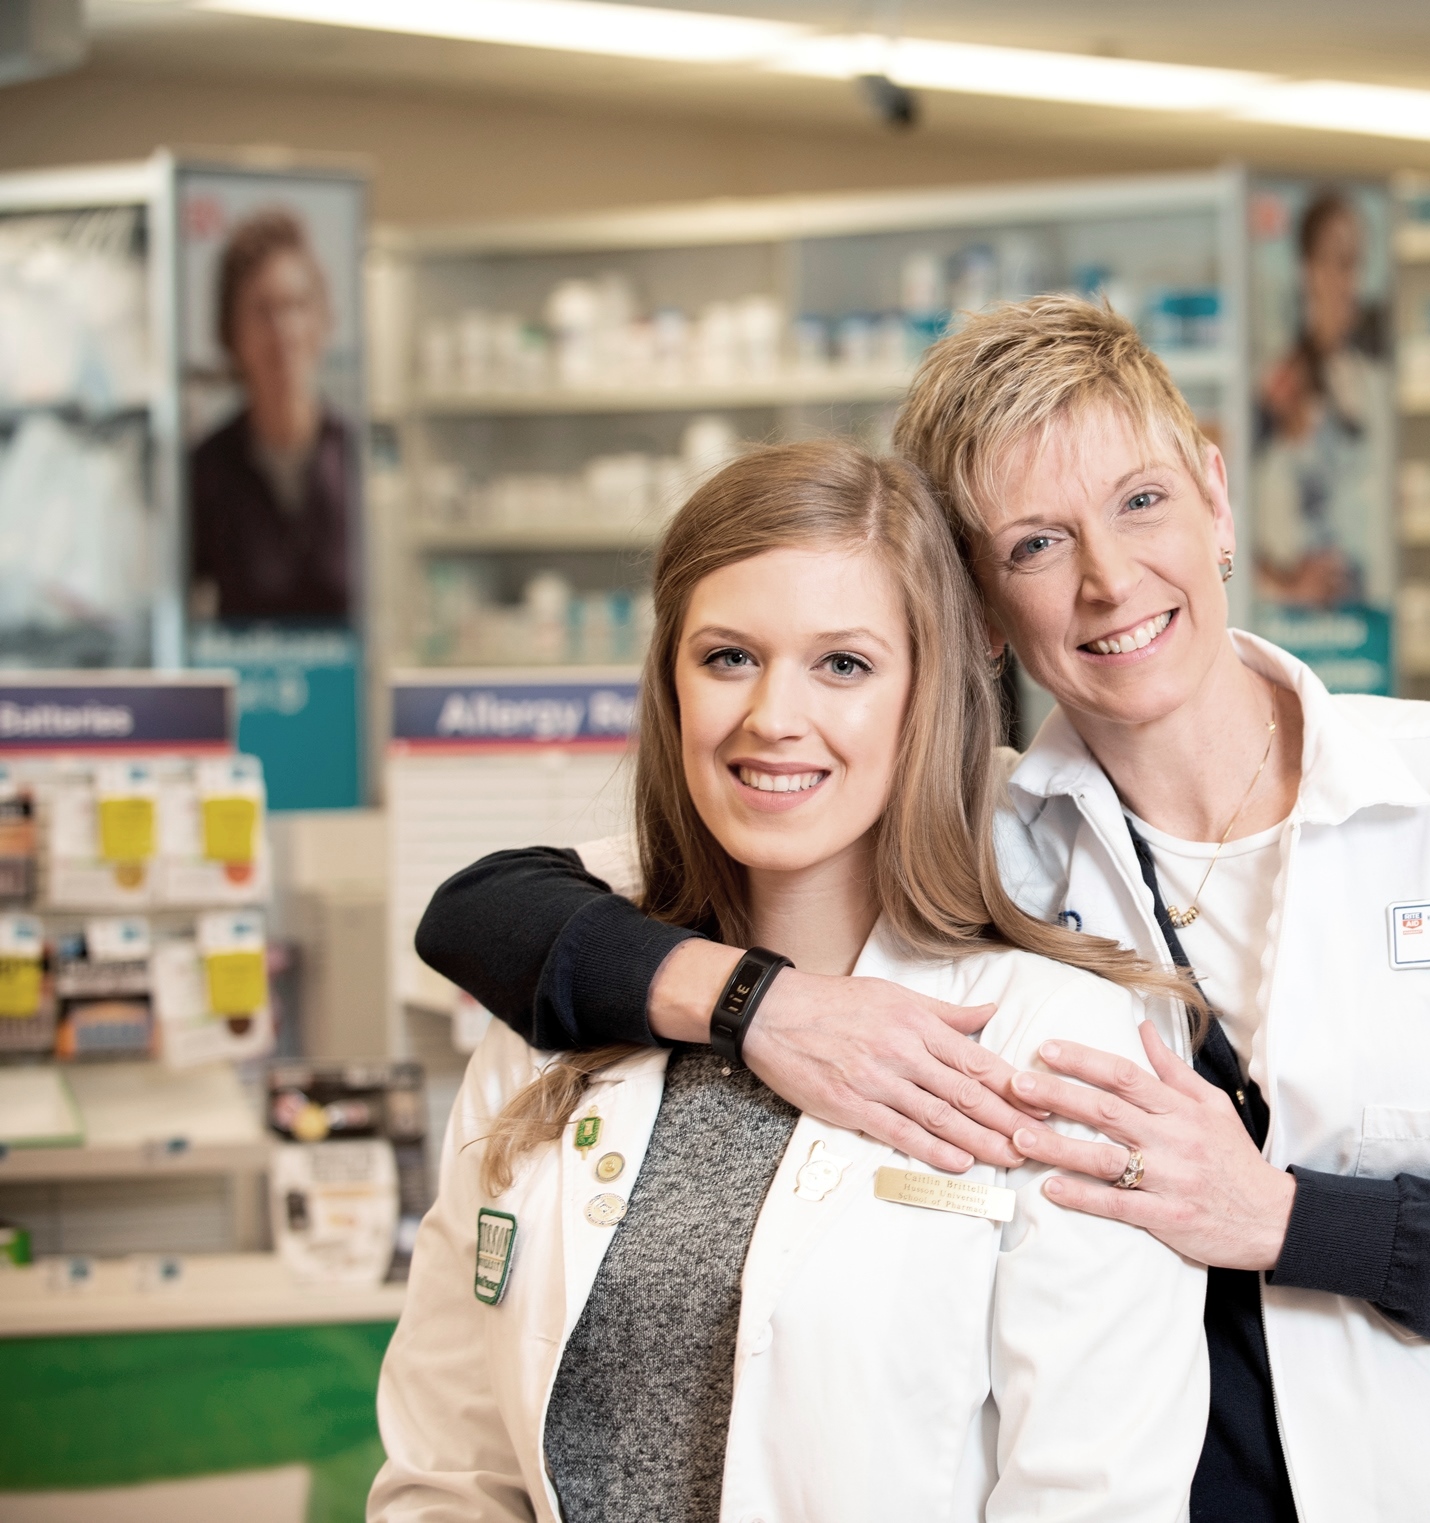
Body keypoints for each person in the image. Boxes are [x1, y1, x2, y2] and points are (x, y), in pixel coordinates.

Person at [420, 296, 1430, 1522]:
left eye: (1141, 500)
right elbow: (495, 910)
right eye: (1037, 544)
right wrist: (763, 1006)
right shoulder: (972, 840)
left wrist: (1284, 1216)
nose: (1111, 580)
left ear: (1217, 498)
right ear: (980, 615)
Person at [373, 439, 1207, 1522]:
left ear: (929, 697)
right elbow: (445, 1473)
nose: (771, 715)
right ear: (671, 683)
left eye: (843, 665)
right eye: (727, 657)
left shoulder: (1057, 1045)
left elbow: (1093, 1499)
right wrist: (756, 1002)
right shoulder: (558, 1019)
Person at [189, 208, 356, 622]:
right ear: (231, 333)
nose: (283, 330)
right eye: (262, 311)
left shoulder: (357, 456)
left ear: (323, 322)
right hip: (248, 685)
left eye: (297, 306)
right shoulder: (205, 471)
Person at [1252, 189, 1390, 612]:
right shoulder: (1276, 385)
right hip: (1294, 626)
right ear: (1306, 269)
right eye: (1337, 262)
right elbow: (1212, 517)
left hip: (1366, 622)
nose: (1350, 282)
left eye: (1357, 263)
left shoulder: (1371, 382)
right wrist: (1283, 586)